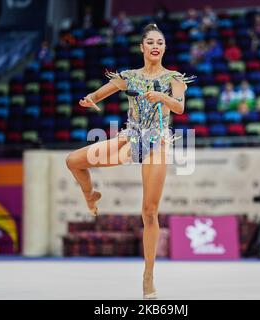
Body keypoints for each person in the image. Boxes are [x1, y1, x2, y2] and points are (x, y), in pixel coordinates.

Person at [66, 24, 194, 299]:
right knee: (73, 160)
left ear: (164, 47)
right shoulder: (129, 77)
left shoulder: (174, 78)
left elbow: (180, 107)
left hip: (157, 143)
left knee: (149, 212)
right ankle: (90, 195)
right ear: (142, 47)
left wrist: (163, 97)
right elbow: (98, 94)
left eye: (160, 42)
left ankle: (148, 275)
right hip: (130, 139)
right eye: (150, 42)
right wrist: (89, 100)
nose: (155, 46)